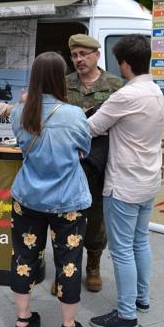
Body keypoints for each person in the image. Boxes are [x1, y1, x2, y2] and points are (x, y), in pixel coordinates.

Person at [10, 52, 90, 327]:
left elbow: (21, 145)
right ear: (60, 78)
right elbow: (85, 149)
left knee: (23, 257)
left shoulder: (19, 112)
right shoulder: (74, 114)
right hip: (68, 200)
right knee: (68, 262)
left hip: (28, 198)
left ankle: (22, 320)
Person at [88, 34, 164, 327]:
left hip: (123, 184)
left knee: (121, 249)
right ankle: (141, 299)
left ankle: (126, 313)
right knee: (140, 241)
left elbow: (91, 127)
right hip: (148, 180)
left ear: (124, 63)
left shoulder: (125, 95)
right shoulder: (156, 91)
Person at [47, 34, 123, 294]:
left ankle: (93, 264)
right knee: (64, 217)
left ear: (96, 55)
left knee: (96, 217)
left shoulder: (115, 85)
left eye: (83, 54)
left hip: (102, 164)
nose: (78, 60)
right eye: (75, 55)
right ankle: (64, 270)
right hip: (69, 164)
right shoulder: (64, 84)